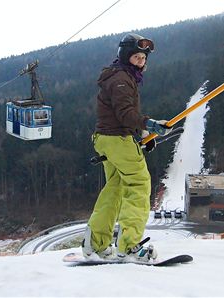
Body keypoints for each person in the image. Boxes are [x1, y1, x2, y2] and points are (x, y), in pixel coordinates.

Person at [82, 33, 172, 262]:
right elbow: (125, 114)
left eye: (143, 58)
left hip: (106, 139)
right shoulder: (122, 79)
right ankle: (130, 245)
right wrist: (149, 124)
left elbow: (121, 114)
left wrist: (143, 133)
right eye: (136, 57)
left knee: (116, 187)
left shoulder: (117, 76)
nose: (141, 61)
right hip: (118, 139)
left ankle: (95, 244)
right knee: (139, 182)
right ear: (125, 56)